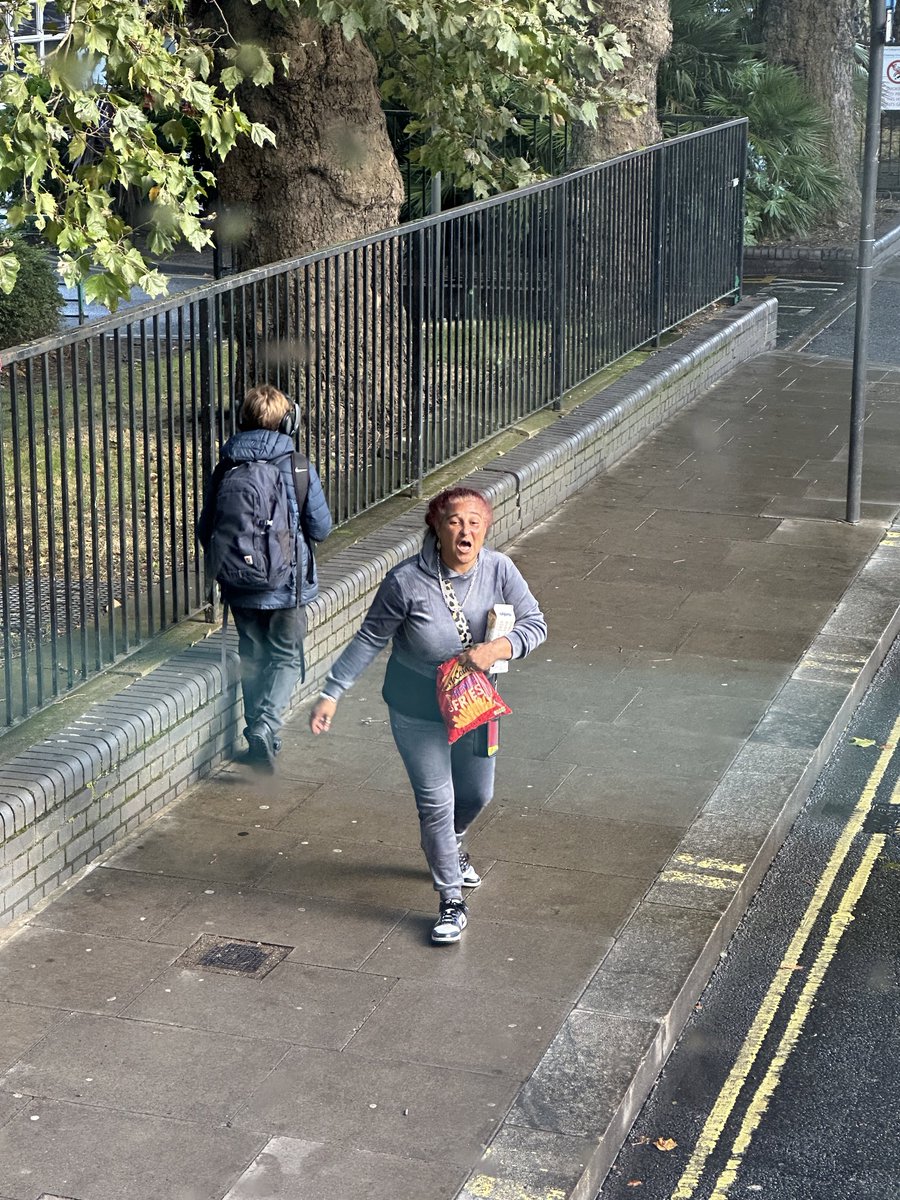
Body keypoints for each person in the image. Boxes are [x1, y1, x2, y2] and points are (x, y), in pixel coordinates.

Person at [309, 486, 547, 945]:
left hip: (477, 703)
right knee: (436, 803)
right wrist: (332, 692)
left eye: (476, 522)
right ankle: (450, 901)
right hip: (417, 707)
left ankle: (452, 843)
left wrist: (499, 647)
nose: (467, 529)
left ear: (486, 529)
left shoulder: (499, 569)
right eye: (456, 520)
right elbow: (368, 639)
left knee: (478, 794)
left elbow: (536, 623)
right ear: (436, 528)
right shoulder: (406, 582)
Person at [198, 384, 332, 771]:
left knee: (252, 657)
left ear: (241, 420)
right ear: (289, 421)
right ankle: (267, 726)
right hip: (285, 585)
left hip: (239, 585)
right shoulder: (298, 465)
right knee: (286, 657)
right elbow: (320, 527)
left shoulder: (227, 466)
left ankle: (259, 730)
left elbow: (206, 528)